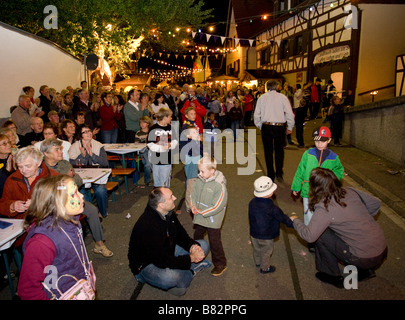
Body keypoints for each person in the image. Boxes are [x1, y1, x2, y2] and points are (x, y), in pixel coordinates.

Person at [290, 168, 387, 288]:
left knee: (321, 235)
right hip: (381, 250)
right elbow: (376, 203)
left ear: (316, 187)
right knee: (332, 231)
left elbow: (309, 236)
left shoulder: (324, 207)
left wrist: (295, 220)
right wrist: (359, 220)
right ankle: (364, 270)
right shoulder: (350, 191)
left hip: (362, 257)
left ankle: (332, 275)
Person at [18, 175, 96, 299]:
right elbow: (28, 290)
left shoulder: (72, 222)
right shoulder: (42, 242)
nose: (81, 196)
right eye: (74, 194)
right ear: (57, 202)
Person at [128, 187, 210, 296]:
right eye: (171, 197)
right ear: (161, 204)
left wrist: (192, 246)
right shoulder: (148, 226)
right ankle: (191, 271)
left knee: (203, 245)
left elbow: (181, 235)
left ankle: (185, 274)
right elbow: (161, 261)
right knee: (170, 277)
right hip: (147, 265)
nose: (175, 198)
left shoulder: (168, 213)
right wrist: (191, 258)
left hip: (167, 250)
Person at [41, 138, 113, 257]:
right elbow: (48, 190)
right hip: (54, 204)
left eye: (60, 149)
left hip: (72, 199)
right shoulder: (42, 169)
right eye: (57, 150)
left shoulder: (64, 163)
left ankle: (99, 244)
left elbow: (79, 181)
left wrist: (70, 179)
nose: (60, 152)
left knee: (92, 210)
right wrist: (66, 177)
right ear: (46, 153)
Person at [291, 126, 344, 226]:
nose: (319, 144)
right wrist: (296, 186)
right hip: (308, 191)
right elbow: (300, 170)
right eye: (316, 141)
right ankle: (310, 235)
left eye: (323, 141)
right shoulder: (308, 154)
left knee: (323, 214)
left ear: (329, 140)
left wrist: (331, 180)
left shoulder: (334, 157)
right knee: (309, 215)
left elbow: (339, 171)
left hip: (325, 191)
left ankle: (321, 234)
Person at [190, 155, 228, 276]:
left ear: (212, 171)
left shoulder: (219, 185)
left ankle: (221, 264)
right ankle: (195, 257)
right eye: (199, 171)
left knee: (214, 241)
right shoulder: (200, 181)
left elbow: (218, 206)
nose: (199, 174)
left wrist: (203, 212)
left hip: (212, 219)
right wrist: (193, 206)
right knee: (197, 236)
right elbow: (193, 195)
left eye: (202, 171)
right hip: (201, 216)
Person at [0, 146, 59, 221]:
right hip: (19, 225)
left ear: (38, 162)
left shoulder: (54, 178)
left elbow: (63, 204)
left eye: (28, 166)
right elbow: (2, 203)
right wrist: (12, 206)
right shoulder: (12, 179)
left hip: (46, 223)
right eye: (20, 167)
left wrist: (38, 204)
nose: (24, 170)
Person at [249, 176, 293, 273]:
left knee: (256, 248)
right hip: (266, 235)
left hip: (254, 233)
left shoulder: (252, 202)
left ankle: (257, 262)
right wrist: (292, 223)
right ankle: (265, 268)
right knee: (266, 251)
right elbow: (282, 217)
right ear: (270, 193)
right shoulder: (272, 207)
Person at [254, 80, 295, 182]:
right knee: (279, 151)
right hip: (279, 126)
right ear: (276, 87)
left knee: (268, 151)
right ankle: (279, 173)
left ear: (267, 87)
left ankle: (270, 174)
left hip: (267, 126)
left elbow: (256, 114)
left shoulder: (262, 98)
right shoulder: (282, 97)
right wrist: (290, 127)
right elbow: (289, 113)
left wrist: (260, 125)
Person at [69, 124, 109, 218]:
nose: (88, 133)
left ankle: (103, 213)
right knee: (83, 193)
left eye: (89, 131)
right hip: (81, 176)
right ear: (80, 134)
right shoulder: (74, 147)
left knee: (101, 190)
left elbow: (105, 163)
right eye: (85, 132)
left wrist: (93, 155)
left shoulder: (98, 145)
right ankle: (91, 215)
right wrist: (82, 156)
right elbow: (72, 164)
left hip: (96, 174)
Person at [147, 107, 178, 187]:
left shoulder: (170, 128)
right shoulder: (153, 128)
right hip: (156, 158)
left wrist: (170, 145)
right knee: (156, 180)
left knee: (165, 181)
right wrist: (161, 148)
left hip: (167, 158)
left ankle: (165, 196)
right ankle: (158, 196)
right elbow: (150, 143)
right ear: (165, 117)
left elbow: (175, 140)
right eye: (170, 116)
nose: (171, 118)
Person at [135, 116, 153, 186]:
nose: (142, 124)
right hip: (143, 151)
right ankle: (147, 180)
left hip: (152, 150)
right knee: (148, 165)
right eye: (141, 123)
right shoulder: (138, 133)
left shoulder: (152, 131)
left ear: (148, 123)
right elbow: (136, 145)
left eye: (144, 123)